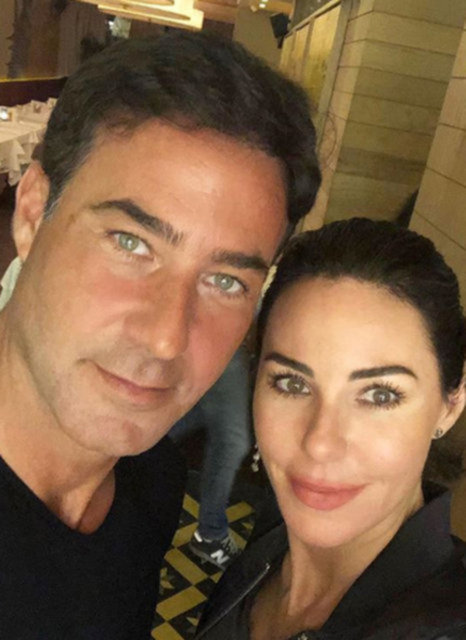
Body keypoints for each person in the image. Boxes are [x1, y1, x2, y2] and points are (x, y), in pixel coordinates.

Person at [0, 31, 320, 638]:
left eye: (226, 281)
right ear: (33, 213)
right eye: (131, 243)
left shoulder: (152, 480)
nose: (167, 339)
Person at [196, 218, 466, 640]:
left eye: (379, 395)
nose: (320, 443)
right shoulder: (266, 551)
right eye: (292, 384)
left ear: (451, 404)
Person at [170, 344, 252, 569]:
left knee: (205, 416)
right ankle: (211, 535)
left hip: (217, 342)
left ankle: (110, 461)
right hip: (221, 343)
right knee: (231, 439)